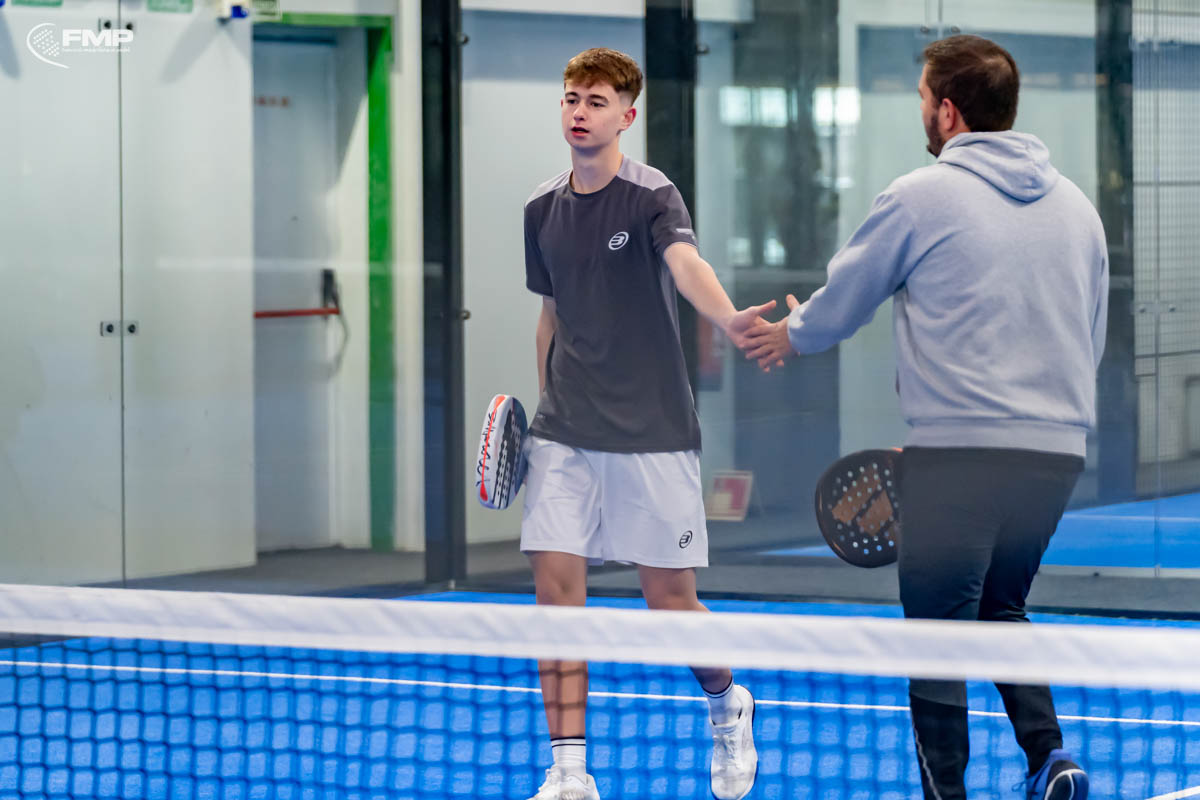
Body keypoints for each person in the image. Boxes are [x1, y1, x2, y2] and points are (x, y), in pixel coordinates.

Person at [741, 34, 1106, 800]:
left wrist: (789, 334)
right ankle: (1051, 758)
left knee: (936, 638)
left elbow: (845, 299)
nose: (922, 113)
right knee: (1001, 606)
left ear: (946, 110)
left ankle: (948, 794)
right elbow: (1090, 338)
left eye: (921, 100)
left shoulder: (919, 195)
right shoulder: (1079, 210)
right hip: (1056, 454)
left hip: (959, 456)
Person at [519, 47, 769, 800]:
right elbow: (550, 317)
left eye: (596, 101)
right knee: (556, 602)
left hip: (653, 431)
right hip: (564, 432)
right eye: (572, 98)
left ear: (626, 115)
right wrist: (543, 417)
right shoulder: (540, 209)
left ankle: (726, 703)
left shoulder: (652, 194)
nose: (579, 112)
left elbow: (685, 263)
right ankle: (569, 772)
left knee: (669, 603)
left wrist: (727, 319)